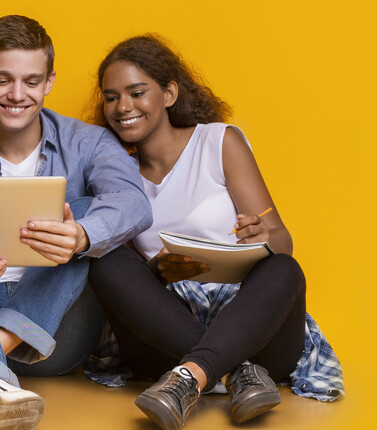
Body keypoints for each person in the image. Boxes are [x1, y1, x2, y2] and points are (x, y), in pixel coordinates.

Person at [86, 35, 344, 430]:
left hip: (256, 335)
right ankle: (229, 372)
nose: (122, 107)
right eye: (111, 97)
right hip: (166, 339)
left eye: (137, 92)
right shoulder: (114, 174)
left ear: (169, 93)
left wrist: (262, 236)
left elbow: (282, 240)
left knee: (285, 269)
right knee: (106, 264)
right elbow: (132, 282)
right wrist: (158, 271)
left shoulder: (219, 141)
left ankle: (191, 377)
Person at [0, 15, 151, 430]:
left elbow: (134, 204)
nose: (17, 94)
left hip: (56, 332)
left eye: (31, 80)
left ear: (49, 82)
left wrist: (80, 236)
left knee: (81, 212)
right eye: (2, 80)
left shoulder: (89, 141)